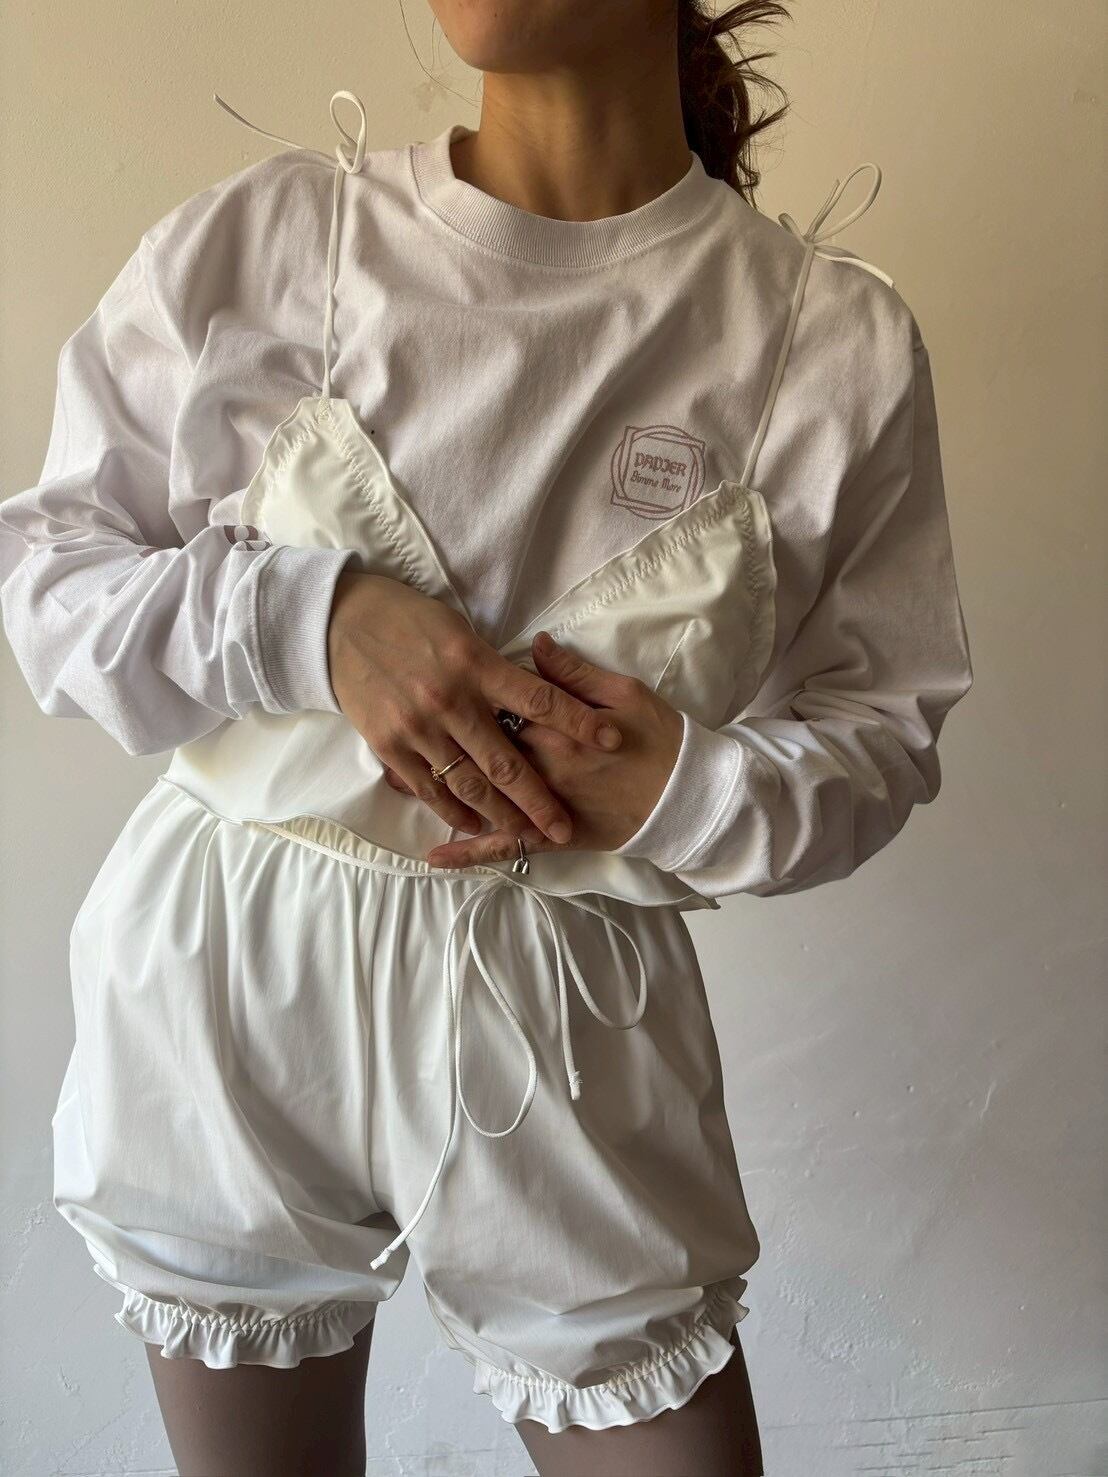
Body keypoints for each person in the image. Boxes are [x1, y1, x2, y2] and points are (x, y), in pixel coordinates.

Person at [0, 2, 972, 1473]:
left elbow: (881, 735)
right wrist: (311, 619)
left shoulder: (824, 345)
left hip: (568, 1032)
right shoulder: (275, 245)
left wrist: (684, 791)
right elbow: (49, 576)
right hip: (225, 992)